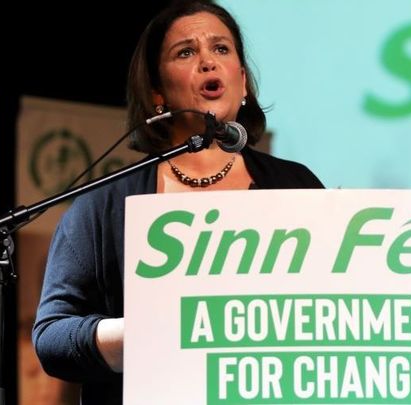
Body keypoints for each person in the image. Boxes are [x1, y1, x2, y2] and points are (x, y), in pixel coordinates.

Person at [32, 1, 324, 403]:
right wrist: (144, 335)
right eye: (186, 52)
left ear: (242, 81)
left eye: (221, 49)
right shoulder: (103, 207)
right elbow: (52, 339)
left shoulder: (296, 187)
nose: (208, 62)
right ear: (157, 94)